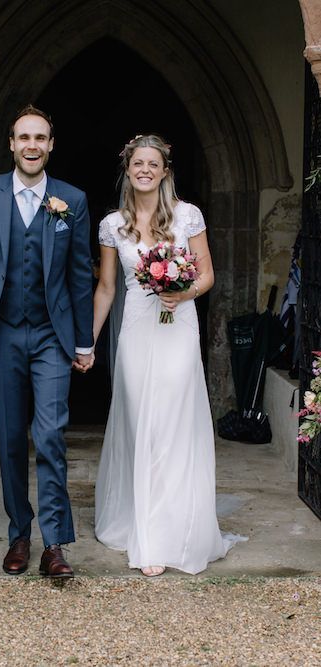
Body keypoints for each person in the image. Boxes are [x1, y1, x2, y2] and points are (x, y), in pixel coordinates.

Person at [0, 105, 94, 578]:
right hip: (2, 336)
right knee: (12, 440)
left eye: (40, 138)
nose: (32, 145)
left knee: (51, 435)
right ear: (11, 144)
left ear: (51, 145)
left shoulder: (71, 199)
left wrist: (84, 341)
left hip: (53, 338)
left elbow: (80, 277)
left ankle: (54, 544)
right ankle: (19, 532)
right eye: (23, 138)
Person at [92, 134, 242, 576]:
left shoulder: (188, 216)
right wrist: (91, 340)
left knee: (174, 422)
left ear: (164, 171)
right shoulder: (111, 225)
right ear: (128, 169)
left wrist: (183, 291)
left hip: (178, 328)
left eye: (152, 164)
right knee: (143, 424)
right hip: (137, 332)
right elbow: (106, 288)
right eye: (137, 163)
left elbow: (208, 274)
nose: (144, 170)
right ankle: (145, 526)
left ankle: (171, 532)